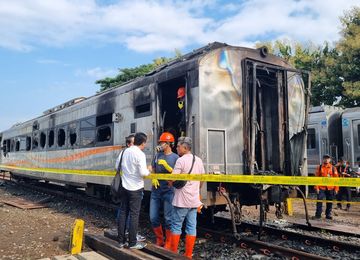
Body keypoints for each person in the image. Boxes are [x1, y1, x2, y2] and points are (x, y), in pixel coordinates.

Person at [168, 136, 204, 259]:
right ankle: (188, 255)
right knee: (191, 227)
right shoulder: (198, 160)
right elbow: (202, 179)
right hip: (194, 201)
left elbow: (172, 178)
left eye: (178, 146)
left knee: (176, 225)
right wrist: (196, 190)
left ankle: (173, 253)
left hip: (181, 201)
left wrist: (170, 181)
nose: (176, 148)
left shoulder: (180, 160)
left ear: (184, 147)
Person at [116, 132, 150, 249]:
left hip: (124, 187)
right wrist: (149, 170)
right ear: (143, 142)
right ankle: (132, 243)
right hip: (135, 188)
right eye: (145, 143)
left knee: (123, 213)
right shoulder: (140, 154)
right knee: (134, 215)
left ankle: (120, 241)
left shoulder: (124, 151)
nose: (145, 145)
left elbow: (117, 167)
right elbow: (143, 173)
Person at [149, 132, 179, 247]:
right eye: (160, 142)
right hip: (156, 190)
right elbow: (152, 168)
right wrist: (153, 177)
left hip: (168, 191)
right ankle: (160, 239)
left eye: (162, 142)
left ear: (168, 144)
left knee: (168, 218)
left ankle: (168, 242)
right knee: (153, 217)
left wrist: (168, 167)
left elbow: (178, 174)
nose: (160, 144)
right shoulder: (157, 155)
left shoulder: (175, 157)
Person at [314, 154, 339, 220]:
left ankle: (328, 214)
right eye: (325, 158)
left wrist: (336, 189)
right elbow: (316, 178)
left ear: (330, 160)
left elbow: (336, 180)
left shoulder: (333, 168)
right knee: (319, 201)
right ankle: (318, 215)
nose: (326, 159)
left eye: (327, 158)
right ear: (323, 159)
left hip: (330, 188)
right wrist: (316, 187)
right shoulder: (319, 167)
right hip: (321, 188)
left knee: (329, 202)